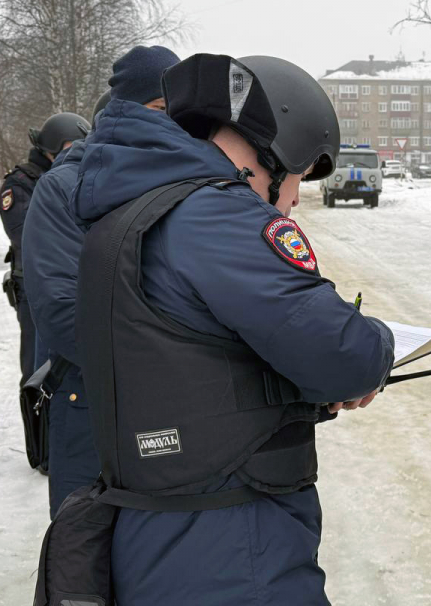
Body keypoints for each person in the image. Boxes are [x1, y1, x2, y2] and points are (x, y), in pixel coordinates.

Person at [70, 53, 394, 605]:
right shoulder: (218, 215)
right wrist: (381, 340)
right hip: (231, 541)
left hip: (158, 522)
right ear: (275, 152)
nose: (291, 203)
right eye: (296, 180)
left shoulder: (131, 211)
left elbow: (190, 358)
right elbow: (346, 355)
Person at [22, 45, 179, 518]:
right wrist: (182, 356)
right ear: (121, 111)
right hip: (92, 406)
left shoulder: (189, 182)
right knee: (89, 560)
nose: (170, 124)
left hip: (175, 410)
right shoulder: (64, 189)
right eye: (159, 110)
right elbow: (65, 314)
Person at [0, 112, 87, 467]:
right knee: (37, 369)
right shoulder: (19, 183)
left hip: (67, 282)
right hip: (33, 286)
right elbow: (24, 234)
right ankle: (41, 448)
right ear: (49, 150)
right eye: (67, 148)